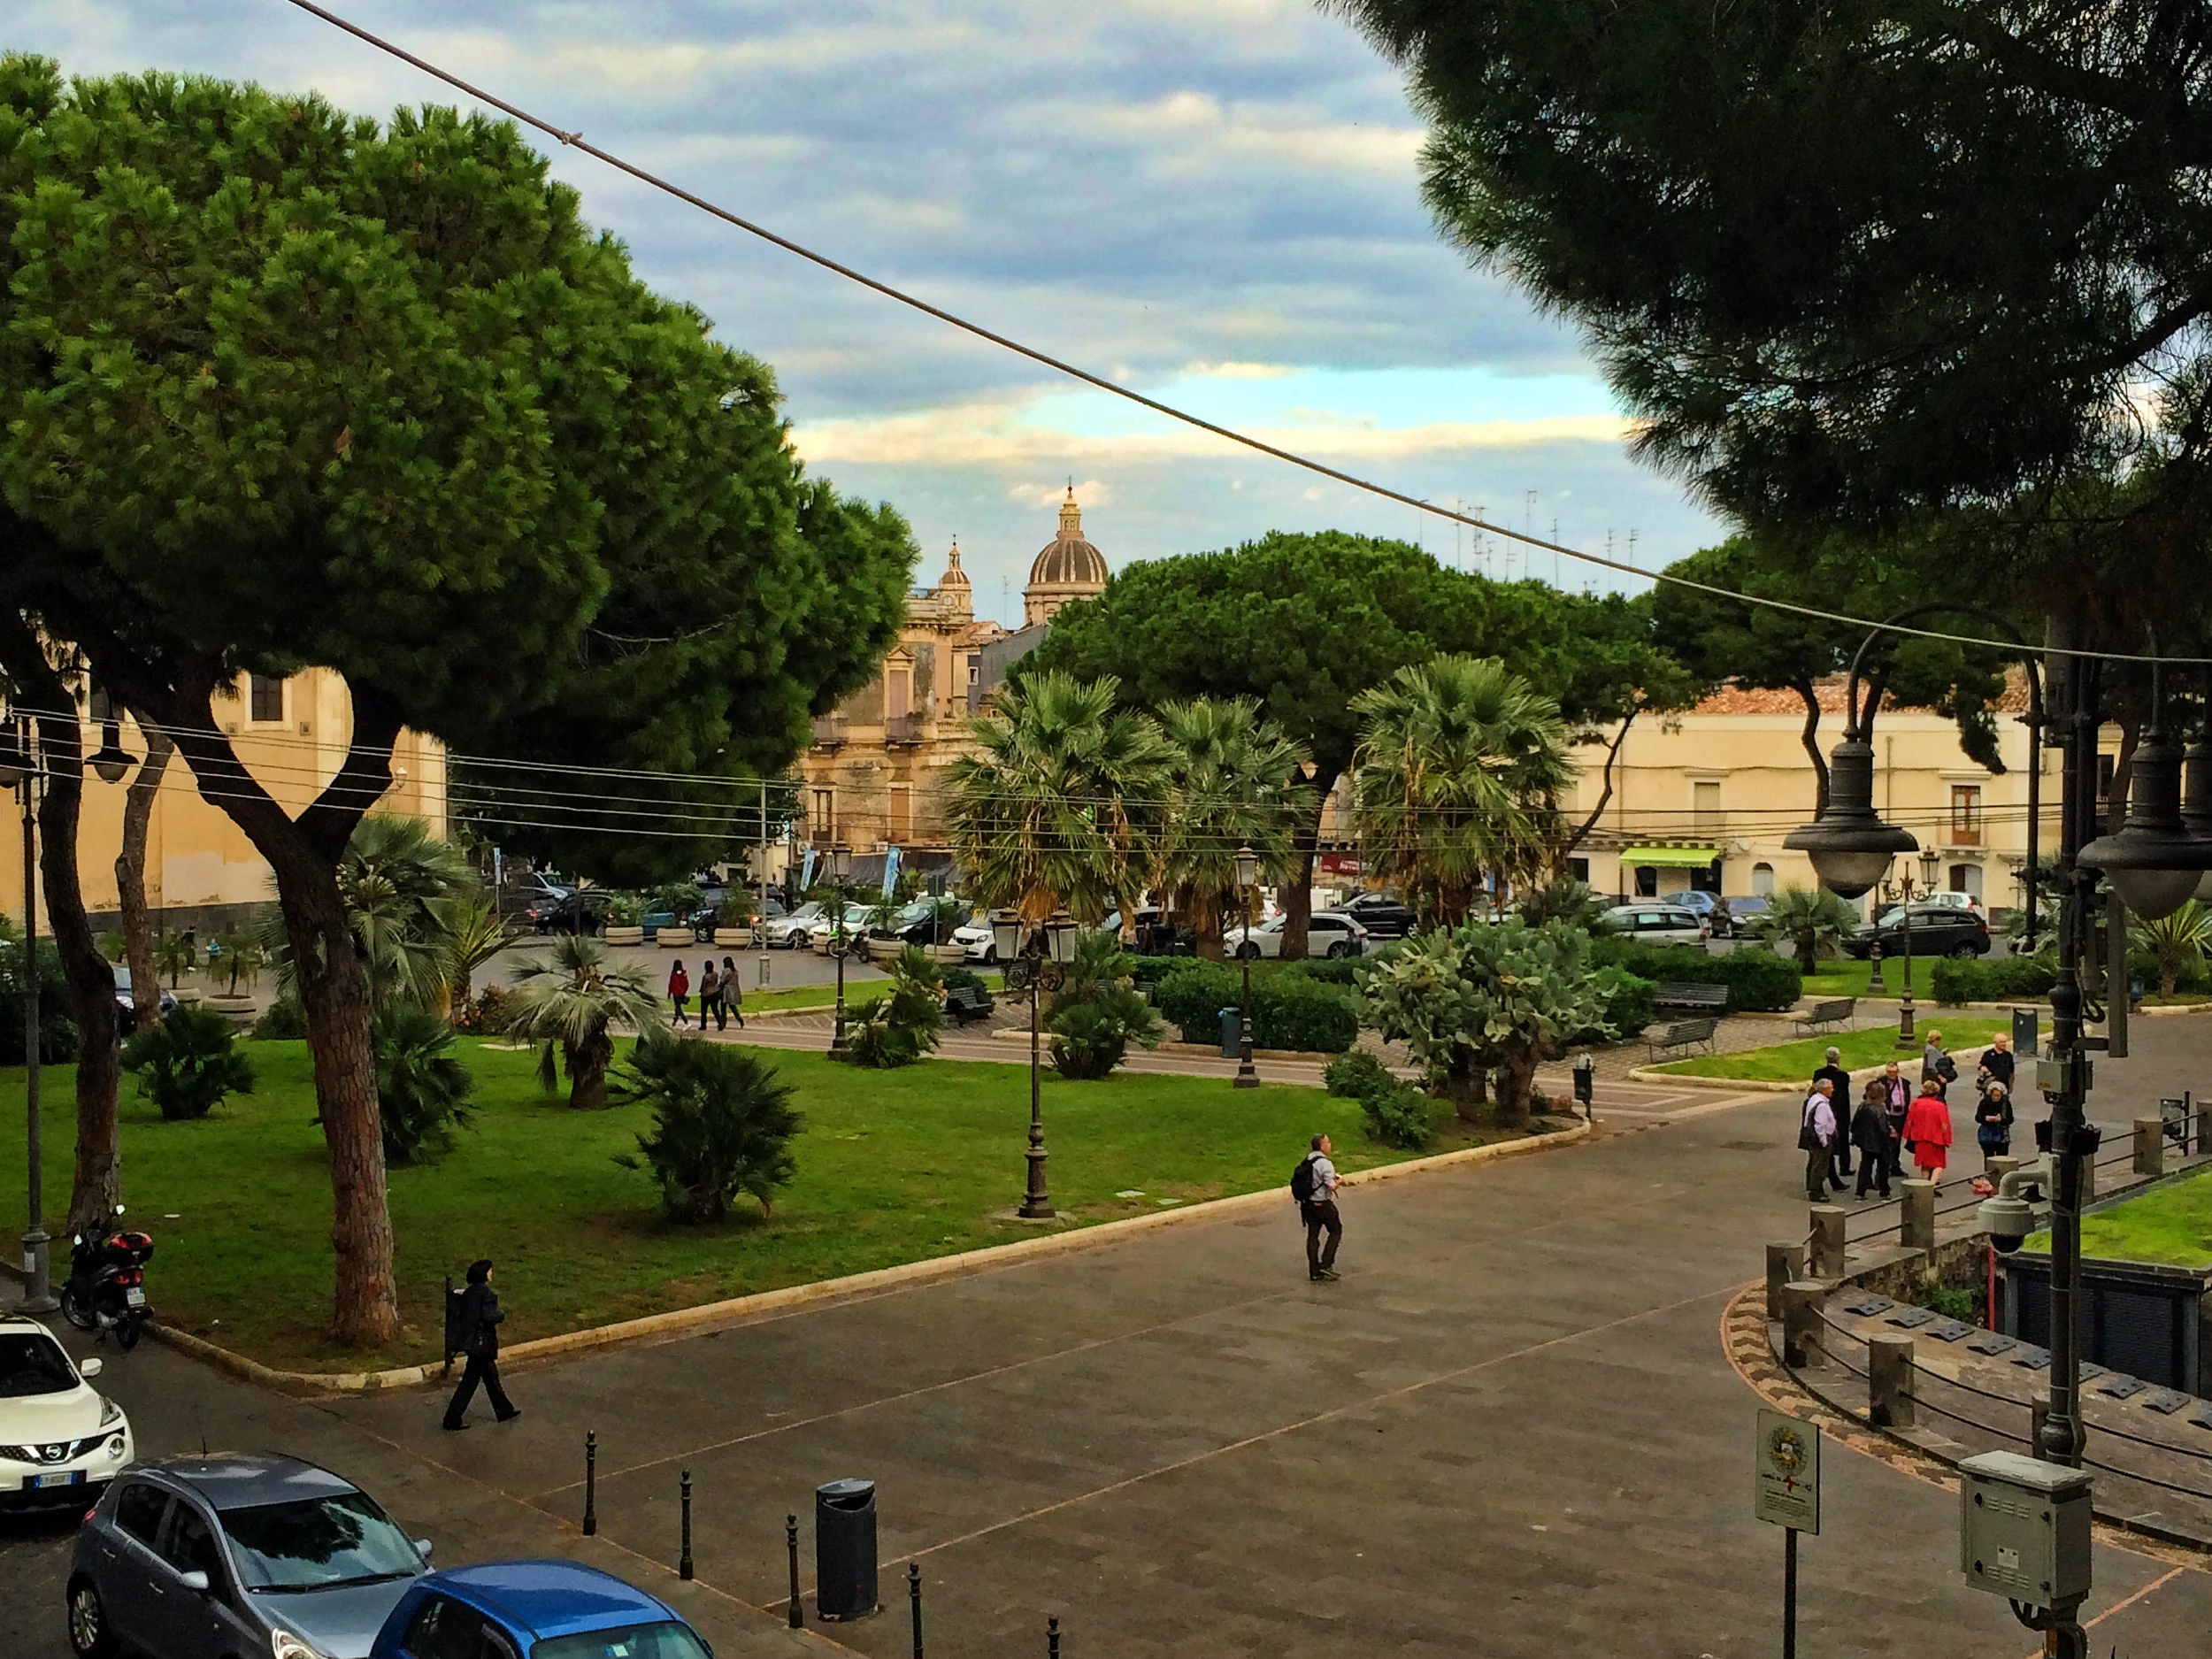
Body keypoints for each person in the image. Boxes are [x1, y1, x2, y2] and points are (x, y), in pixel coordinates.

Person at [443, 1259, 519, 1430]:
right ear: (485, 1274)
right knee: (470, 1382)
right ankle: (452, 1417)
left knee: (491, 1376)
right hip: (482, 1344)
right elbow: (488, 1316)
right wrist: (500, 1315)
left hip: (472, 1342)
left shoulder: (469, 1293)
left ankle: (504, 1409)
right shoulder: (487, 1295)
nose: (491, 1274)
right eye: (490, 1271)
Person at [1294, 1133, 1342, 1282]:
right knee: (1336, 1230)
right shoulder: (1325, 1163)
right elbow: (1331, 1186)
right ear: (1322, 1146)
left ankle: (1314, 1271)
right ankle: (1326, 1264)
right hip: (1323, 1205)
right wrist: (1340, 1181)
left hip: (1308, 1205)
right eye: (1328, 1142)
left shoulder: (1309, 1159)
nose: (1330, 1145)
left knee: (1313, 1235)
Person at [1812, 1047, 1854, 1184]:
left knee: (1828, 1143)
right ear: (1838, 1059)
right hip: (1840, 1113)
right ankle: (1844, 1166)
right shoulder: (1843, 1076)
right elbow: (1844, 1098)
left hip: (1825, 1110)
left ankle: (1832, 1172)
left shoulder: (1818, 1074)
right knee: (1842, 1140)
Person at [1903, 1077, 1955, 1183]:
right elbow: (1945, 1125)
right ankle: (1931, 1186)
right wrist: (1947, 1140)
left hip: (1920, 1138)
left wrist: (1907, 1135)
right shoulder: (1940, 1106)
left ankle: (1924, 1186)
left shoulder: (1916, 1104)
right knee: (1938, 1165)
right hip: (1936, 1140)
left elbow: (1909, 1121)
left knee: (1925, 1165)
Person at [1800, 1078, 1839, 1203]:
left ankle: (1813, 1187)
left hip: (1812, 1138)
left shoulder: (1814, 1099)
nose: (1833, 1089)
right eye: (1831, 1087)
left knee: (1813, 1163)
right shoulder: (1821, 1105)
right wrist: (1824, 1141)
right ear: (1825, 1089)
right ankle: (1816, 1191)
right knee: (1819, 1166)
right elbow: (1820, 1125)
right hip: (1820, 1139)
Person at [1852, 1079, 1893, 1200]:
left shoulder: (1863, 1106)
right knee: (1883, 1167)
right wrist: (1890, 1135)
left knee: (1865, 1166)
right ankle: (1884, 1191)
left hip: (1865, 1142)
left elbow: (1854, 1125)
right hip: (1880, 1143)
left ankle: (1860, 1191)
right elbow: (1883, 1128)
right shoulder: (1880, 1109)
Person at [1879, 1062, 1912, 1179]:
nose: (1892, 1074)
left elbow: (1907, 1097)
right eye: (1889, 1072)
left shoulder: (1904, 1082)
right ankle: (1886, 1165)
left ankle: (1895, 1165)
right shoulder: (1880, 1083)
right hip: (1887, 1116)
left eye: (1894, 1072)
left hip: (1901, 1116)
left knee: (1897, 1142)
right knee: (1887, 1142)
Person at [1973, 1080, 2015, 1171]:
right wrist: (1986, 1119)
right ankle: (1989, 1174)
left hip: (2002, 1134)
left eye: (1998, 1096)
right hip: (1987, 1134)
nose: (1996, 1098)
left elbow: (2010, 1119)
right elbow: (1978, 1117)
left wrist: (2001, 1120)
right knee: (1989, 1157)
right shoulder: (1984, 1103)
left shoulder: (2005, 1104)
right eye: (1994, 1095)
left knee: (2002, 1157)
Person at [1978, 1031, 2016, 1100]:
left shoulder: (2008, 1055)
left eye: (2005, 1042)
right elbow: (1981, 1066)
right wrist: (1982, 1068)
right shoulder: (1988, 1054)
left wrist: (2010, 1086)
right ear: (1995, 1042)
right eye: (2001, 1042)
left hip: (2004, 1086)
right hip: (1991, 1086)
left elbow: (2011, 1072)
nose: (2003, 1044)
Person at [1923, 1029, 1957, 1101]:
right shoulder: (1931, 1050)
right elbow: (1931, 1066)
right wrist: (1940, 1077)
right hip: (1934, 1080)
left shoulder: (1929, 1048)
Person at [695, 959, 720, 1031]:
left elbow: (703, 986)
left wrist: (701, 992)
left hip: (706, 994)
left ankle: (703, 1025)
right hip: (715, 992)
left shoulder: (706, 976)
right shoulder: (715, 974)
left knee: (704, 1011)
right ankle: (720, 1022)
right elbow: (716, 982)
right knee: (715, 1009)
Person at [721, 955, 743, 1029]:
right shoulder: (735, 971)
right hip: (733, 991)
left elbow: (722, 981)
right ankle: (739, 1018)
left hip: (726, 991)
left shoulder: (726, 971)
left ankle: (723, 1022)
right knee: (732, 1006)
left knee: (723, 1007)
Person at [668, 958, 690, 1027]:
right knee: (677, 1008)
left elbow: (671, 984)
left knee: (678, 1008)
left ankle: (685, 1021)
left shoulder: (673, 974)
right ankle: (675, 1021)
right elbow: (687, 983)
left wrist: (669, 993)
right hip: (681, 993)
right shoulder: (683, 974)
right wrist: (684, 990)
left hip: (676, 993)